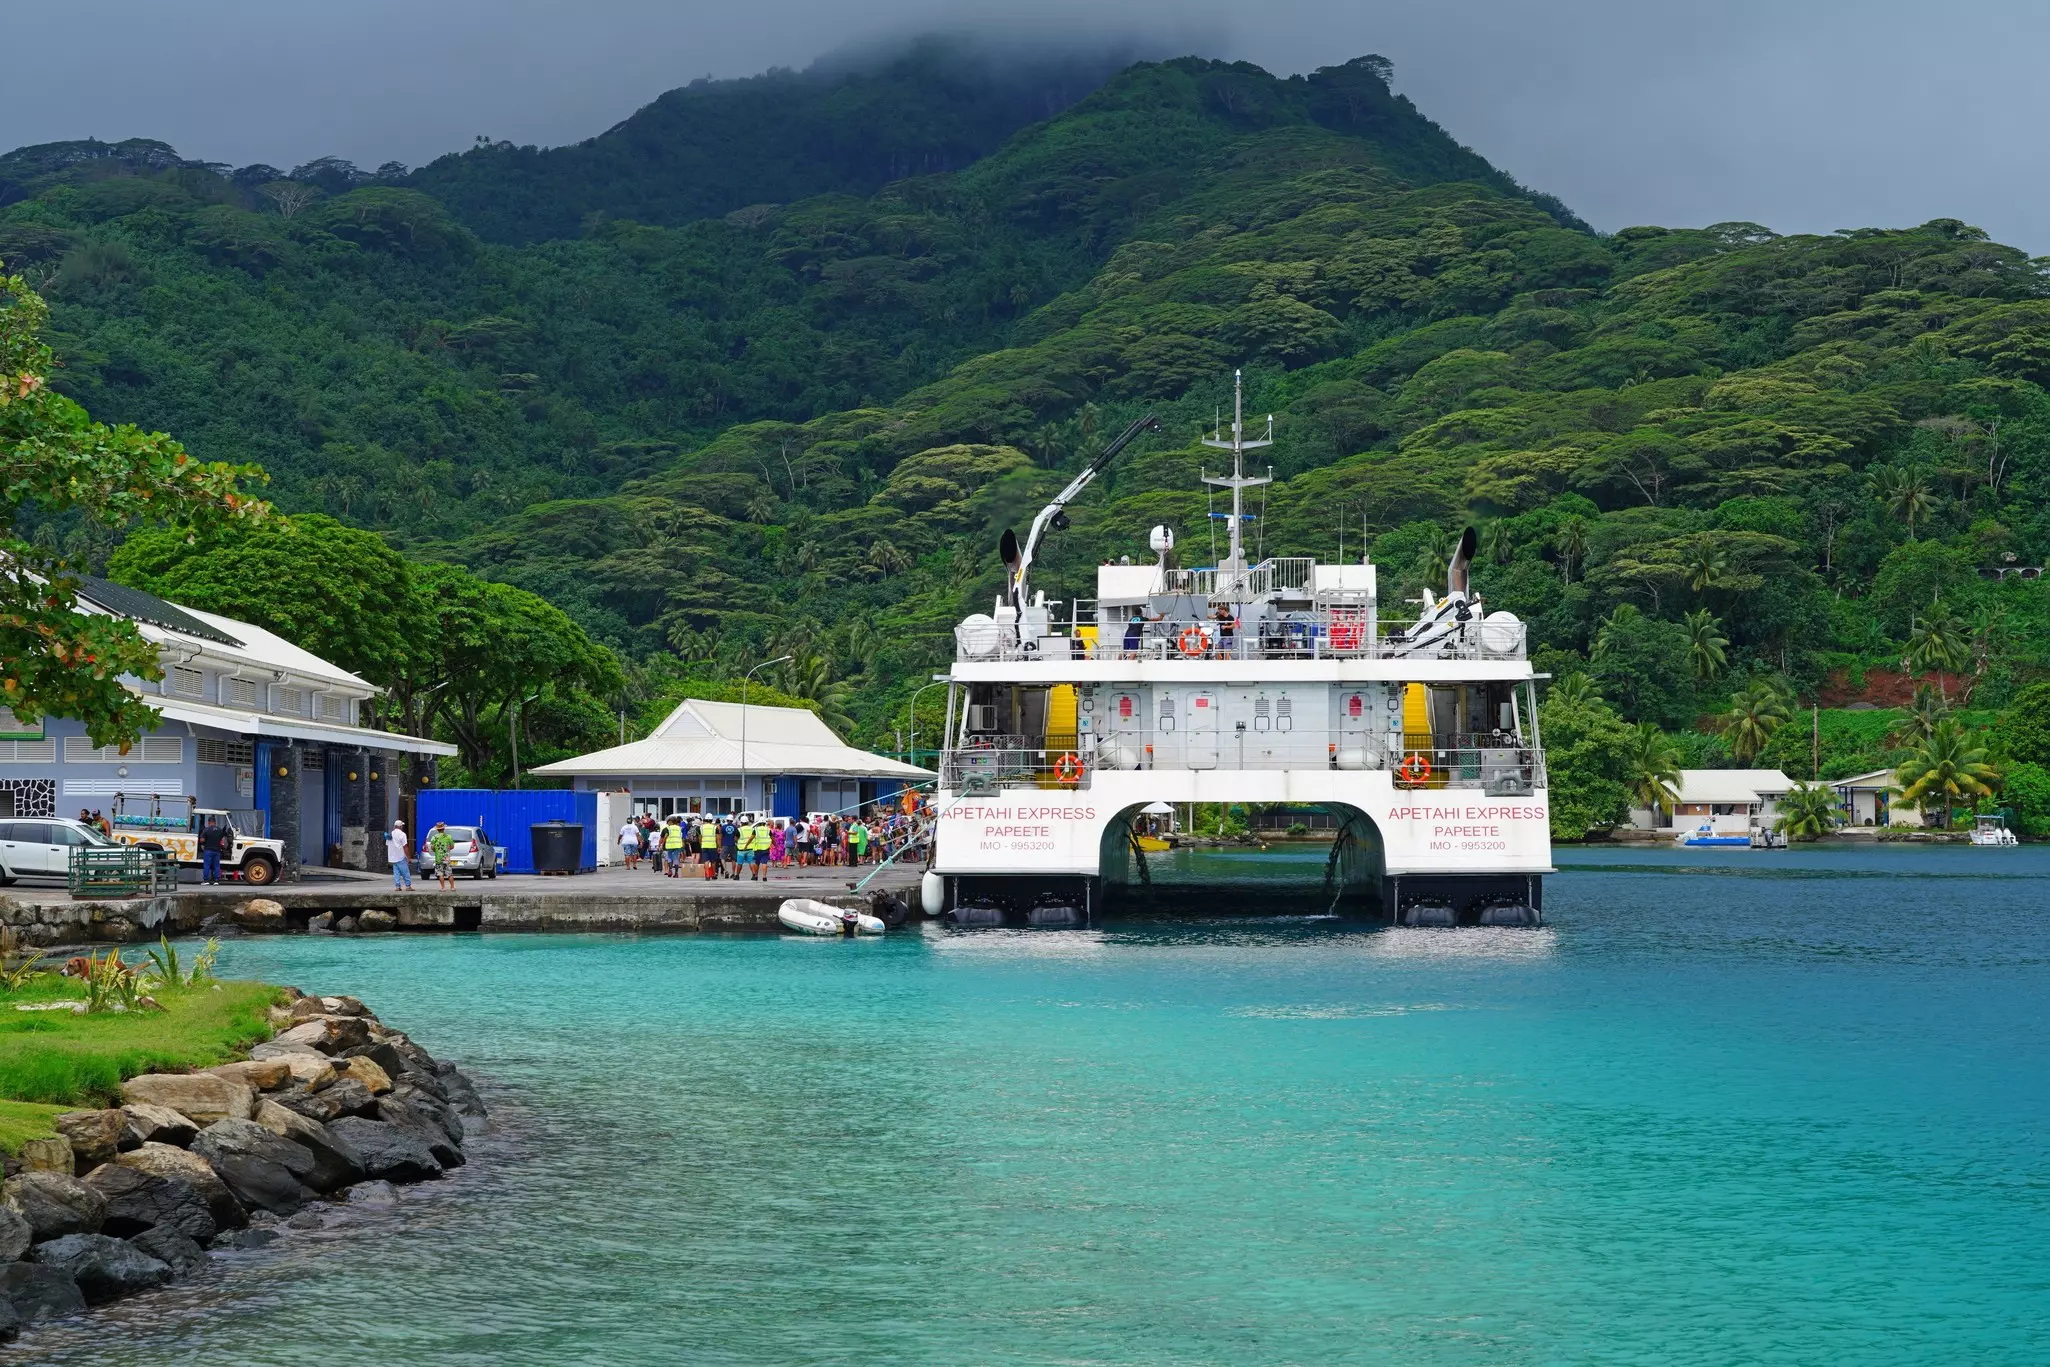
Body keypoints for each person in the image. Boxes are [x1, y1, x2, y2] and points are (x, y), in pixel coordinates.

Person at [428, 821, 457, 890]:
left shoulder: (434, 837)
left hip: (438, 858)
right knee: (449, 873)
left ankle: (443, 887)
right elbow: (452, 846)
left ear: (437, 830)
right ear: (444, 829)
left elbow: (432, 847)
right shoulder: (448, 836)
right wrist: (447, 849)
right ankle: (452, 887)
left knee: (440, 873)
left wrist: (437, 850)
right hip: (446, 857)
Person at [198, 816, 227, 885]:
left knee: (207, 865)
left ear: (208, 822)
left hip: (208, 850)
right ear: (215, 822)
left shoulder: (206, 830)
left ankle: (206, 881)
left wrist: (205, 841)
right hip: (217, 851)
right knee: (216, 866)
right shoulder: (219, 830)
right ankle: (216, 881)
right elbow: (222, 838)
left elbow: (202, 840)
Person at [386, 820, 413, 891]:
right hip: (400, 856)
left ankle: (397, 886)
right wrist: (408, 857)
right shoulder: (402, 834)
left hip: (393, 857)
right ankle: (408, 886)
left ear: (395, 826)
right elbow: (405, 846)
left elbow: (388, 844)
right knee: (405, 871)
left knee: (396, 872)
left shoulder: (390, 834)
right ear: (401, 826)